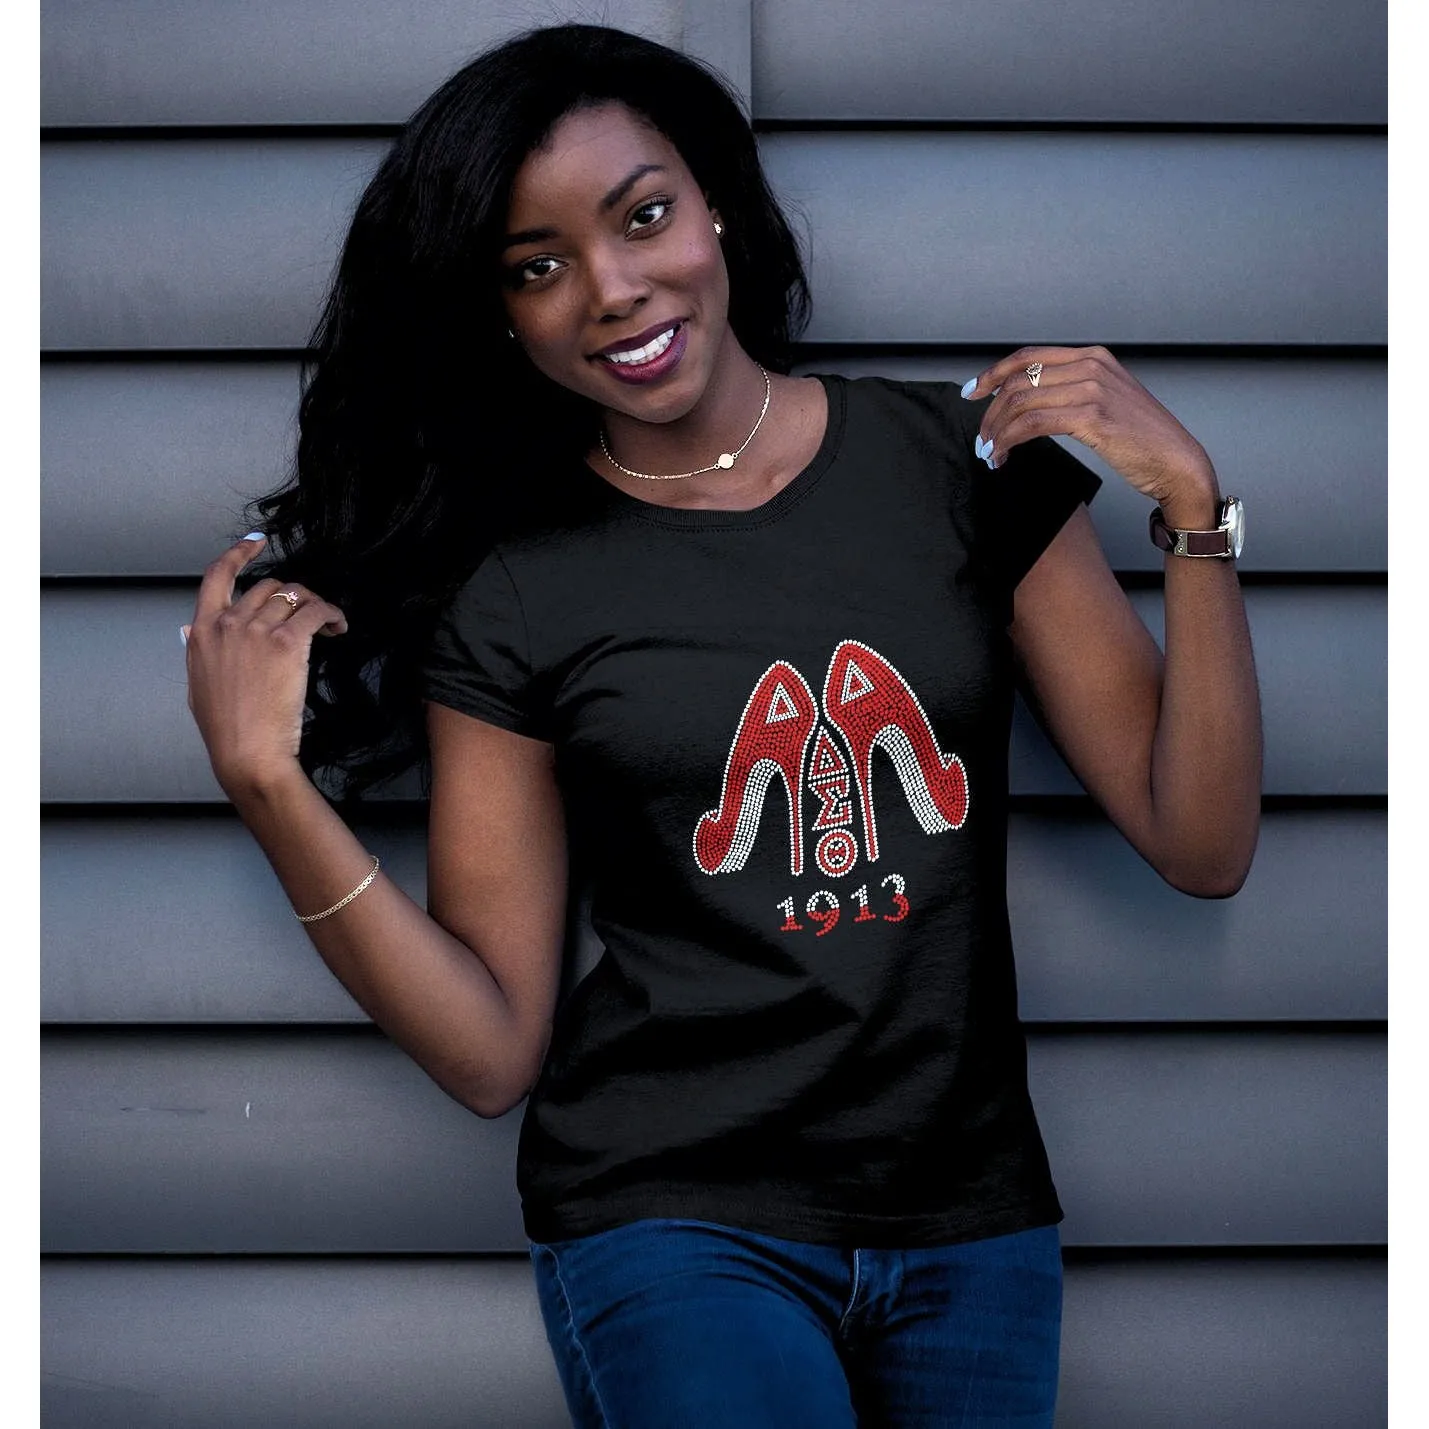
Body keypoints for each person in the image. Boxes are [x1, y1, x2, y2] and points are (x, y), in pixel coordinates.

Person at [181, 23, 1262, 1427]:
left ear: (722, 210)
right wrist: (268, 783)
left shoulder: (959, 470)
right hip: (678, 1221)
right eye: (538, 265)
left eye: (644, 216)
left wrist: (1194, 512)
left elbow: (1202, 841)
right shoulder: (514, 583)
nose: (615, 292)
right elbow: (495, 1047)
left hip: (973, 1225)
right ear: (499, 312)